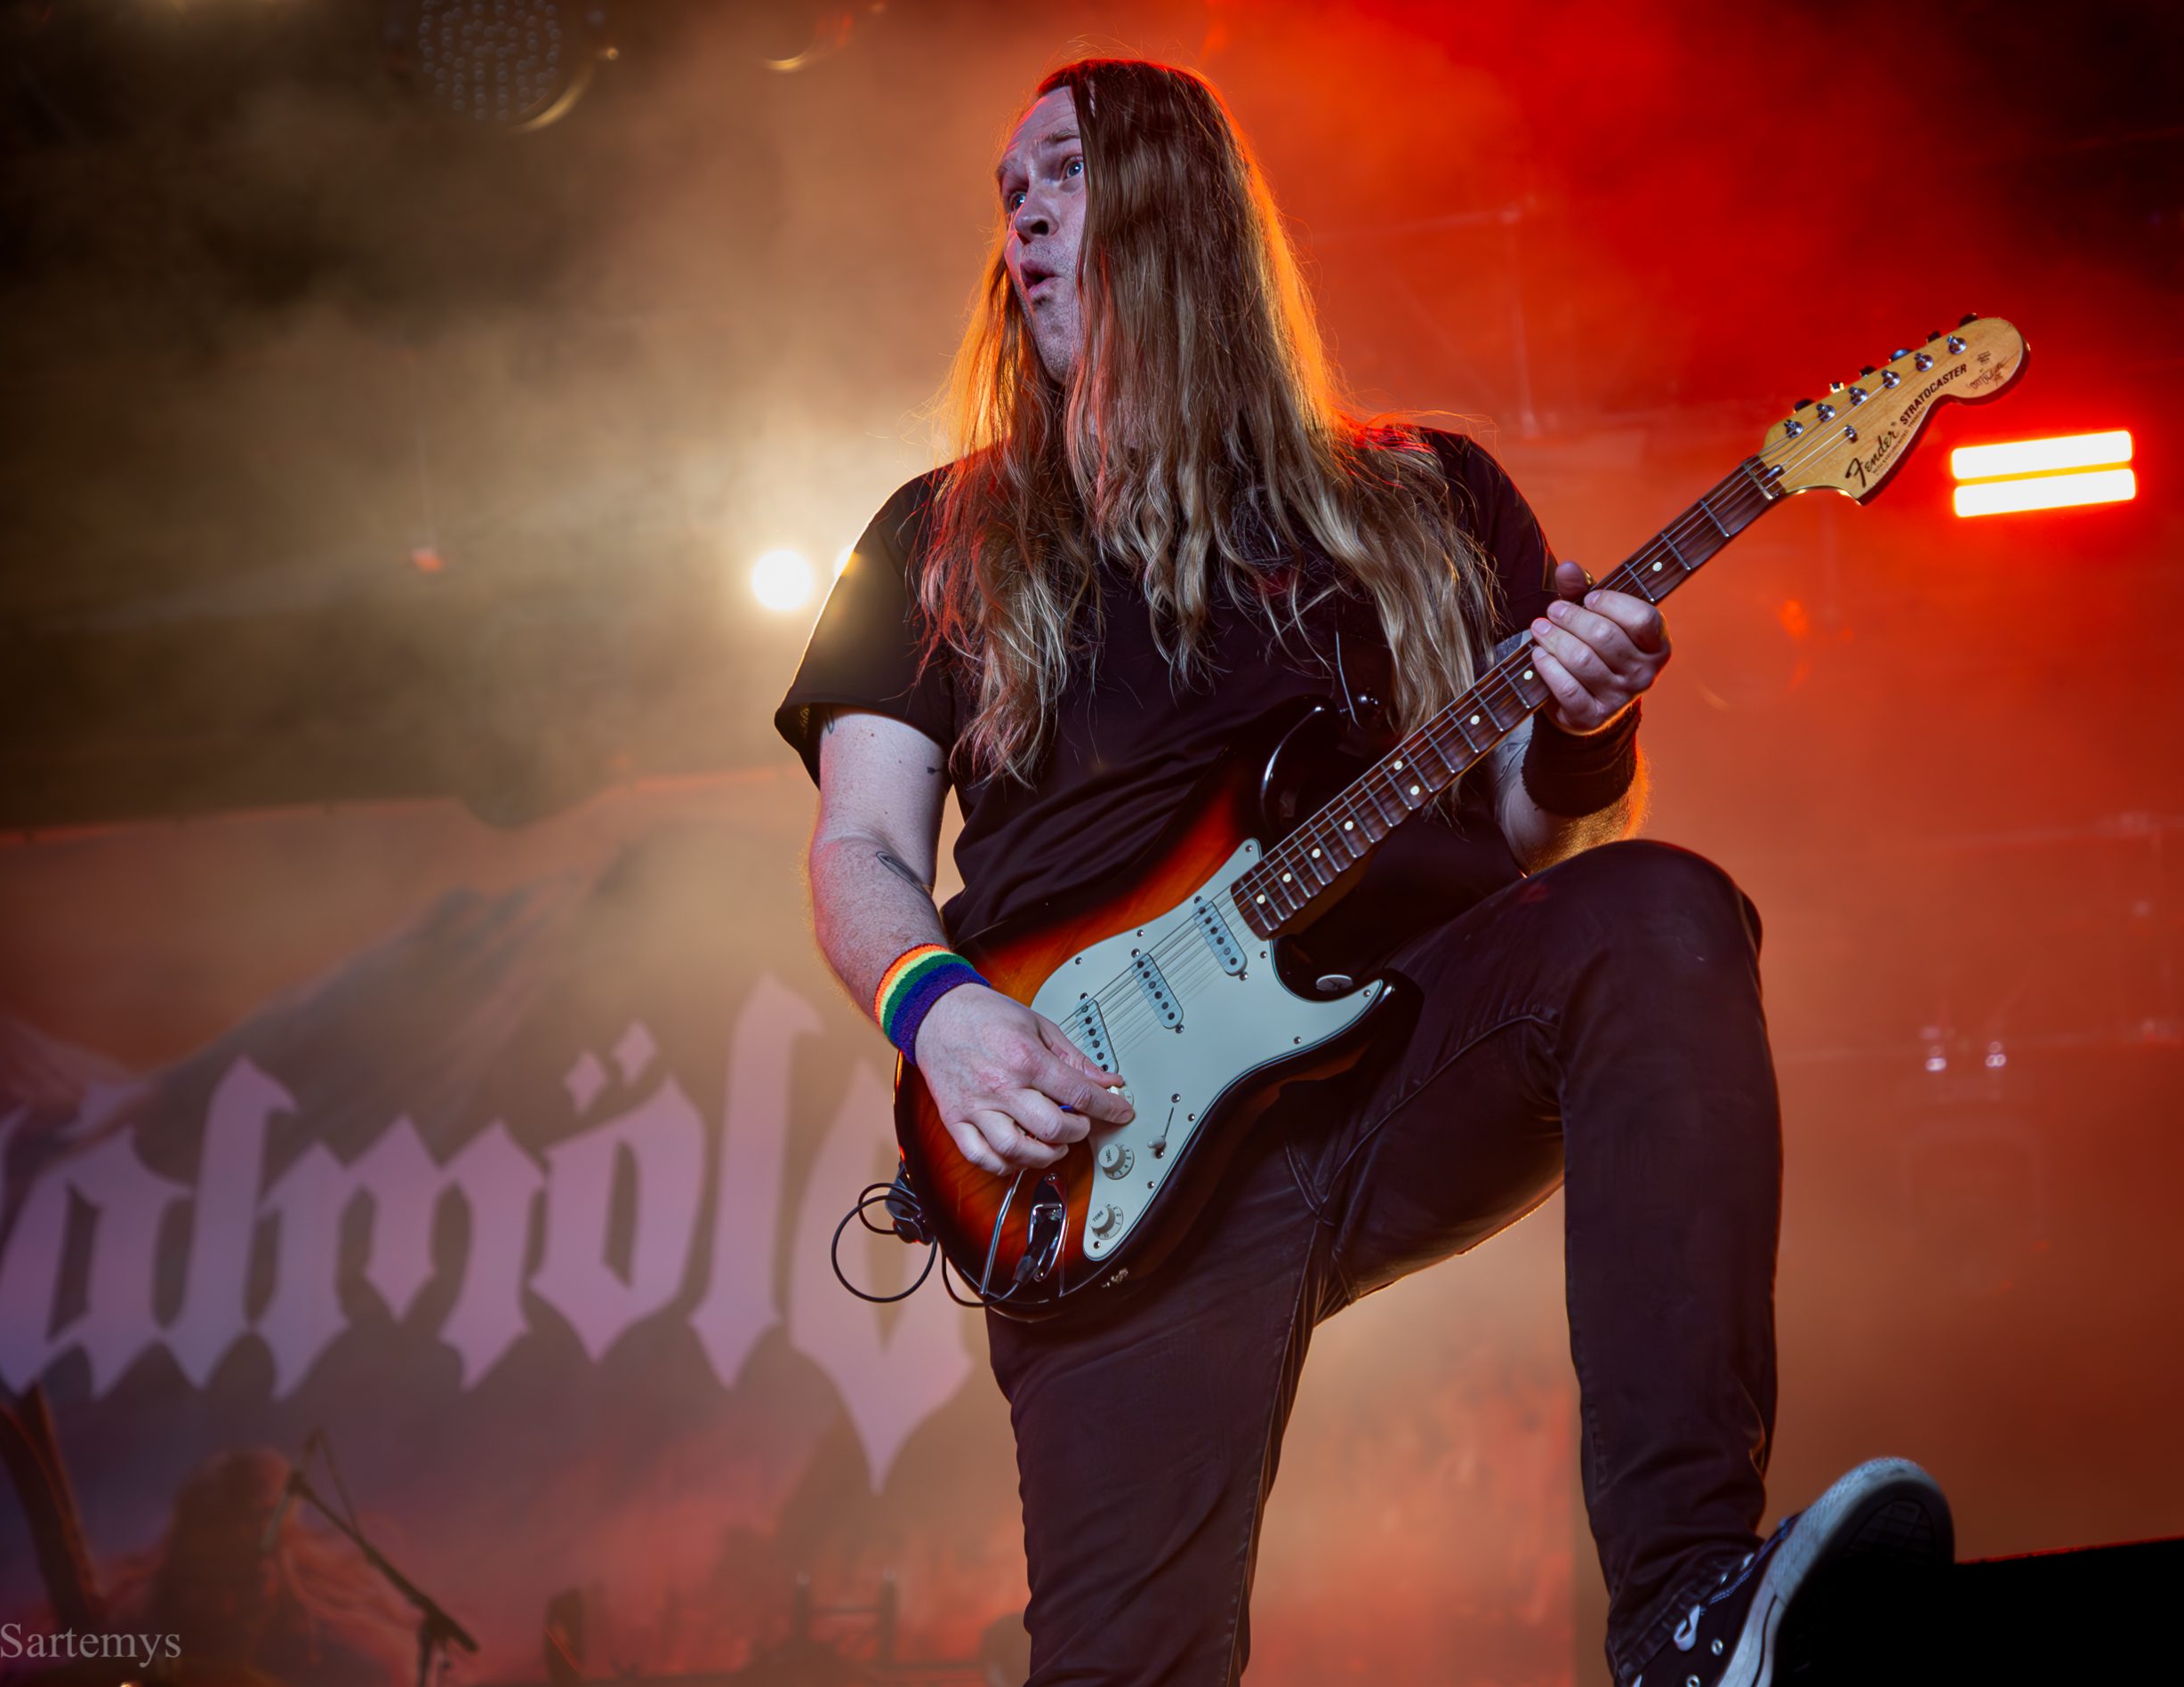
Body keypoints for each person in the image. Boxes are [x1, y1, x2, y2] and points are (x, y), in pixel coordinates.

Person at [774, 57, 1951, 1687]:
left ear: (1180, 204)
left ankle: (1691, 1608)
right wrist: (946, 1017)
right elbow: (857, 849)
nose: (1022, 219)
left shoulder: (1425, 496)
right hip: (1093, 1138)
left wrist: (1587, 729)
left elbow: (1543, 842)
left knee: (1659, 912)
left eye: (1063, 175)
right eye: (1008, 193)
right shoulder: (938, 535)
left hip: (1395, 1051)